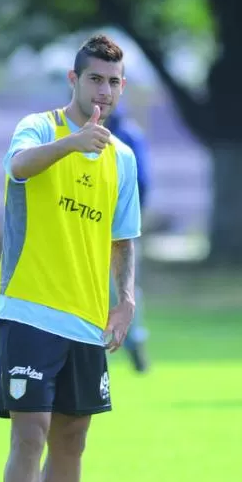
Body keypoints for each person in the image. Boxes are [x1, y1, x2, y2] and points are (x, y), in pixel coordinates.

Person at [0, 34, 141, 482]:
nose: (103, 90)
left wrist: (124, 301)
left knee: (73, 440)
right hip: (29, 307)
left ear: (121, 87)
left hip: (85, 319)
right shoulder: (40, 127)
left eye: (112, 82)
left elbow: (123, 240)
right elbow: (18, 168)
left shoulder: (123, 158)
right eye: (94, 79)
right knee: (29, 435)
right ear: (72, 81)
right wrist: (74, 143)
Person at [106, 107, 151, 373]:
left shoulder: (127, 136)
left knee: (123, 287)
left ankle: (134, 342)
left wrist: (129, 218)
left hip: (118, 225)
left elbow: (142, 181)